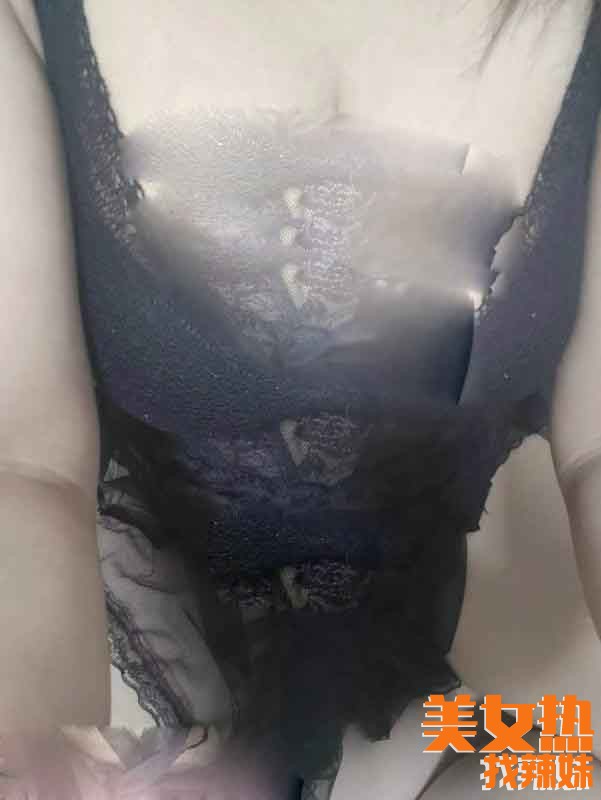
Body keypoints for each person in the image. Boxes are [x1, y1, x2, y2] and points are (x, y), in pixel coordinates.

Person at [2, 0, 601, 796]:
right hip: (133, 720)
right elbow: (27, 465)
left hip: (427, 722)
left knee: (567, 774)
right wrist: (33, 761)